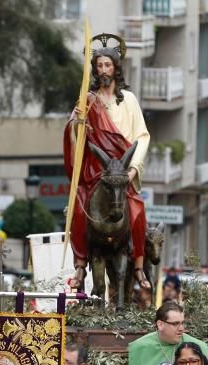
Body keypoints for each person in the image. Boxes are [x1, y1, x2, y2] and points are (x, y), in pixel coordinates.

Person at [64, 37, 150, 292]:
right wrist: (78, 123)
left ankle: (138, 266)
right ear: (95, 69)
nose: (103, 70)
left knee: (137, 210)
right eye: (99, 65)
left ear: (116, 68)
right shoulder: (87, 101)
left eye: (108, 65)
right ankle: (80, 265)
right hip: (97, 171)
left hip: (123, 170)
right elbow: (75, 136)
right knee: (79, 208)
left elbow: (142, 136)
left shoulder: (130, 101)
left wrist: (132, 170)